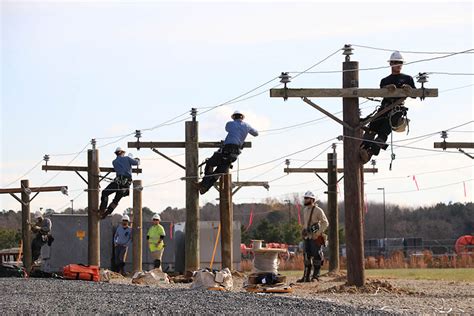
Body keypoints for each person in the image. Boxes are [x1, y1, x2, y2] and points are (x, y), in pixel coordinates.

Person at [360, 51, 416, 164]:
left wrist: (410, 90)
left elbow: (415, 95)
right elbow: (382, 94)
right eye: (395, 62)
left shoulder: (408, 79)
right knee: (372, 128)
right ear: (390, 63)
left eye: (400, 63)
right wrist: (386, 89)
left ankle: (370, 153)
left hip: (397, 110)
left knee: (383, 132)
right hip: (384, 108)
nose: (398, 65)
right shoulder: (385, 80)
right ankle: (362, 149)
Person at [198, 110, 258, 194]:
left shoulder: (230, 124)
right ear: (242, 117)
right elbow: (256, 133)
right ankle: (204, 188)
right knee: (218, 173)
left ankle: (203, 184)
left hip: (225, 151)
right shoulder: (247, 126)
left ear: (233, 117)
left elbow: (227, 129)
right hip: (233, 156)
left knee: (210, 163)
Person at [99, 147, 140, 219]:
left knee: (105, 193)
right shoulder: (127, 158)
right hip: (126, 185)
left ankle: (102, 210)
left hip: (117, 182)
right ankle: (107, 213)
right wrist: (137, 159)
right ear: (122, 152)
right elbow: (136, 163)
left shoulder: (114, 162)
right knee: (116, 200)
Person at [297, 191, 329, 283]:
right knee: (306, 257)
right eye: (305, 198)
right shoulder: (305, 210)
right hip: (307, 237)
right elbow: (306, 224)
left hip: (315, 237)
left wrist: (318, 233)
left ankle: (315, 277)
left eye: (307, 198)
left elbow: (325, 223)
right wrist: (303, 231)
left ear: (312, 199)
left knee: (317, 256)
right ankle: (306, 277)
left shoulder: (318, 210)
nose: (305, 199)